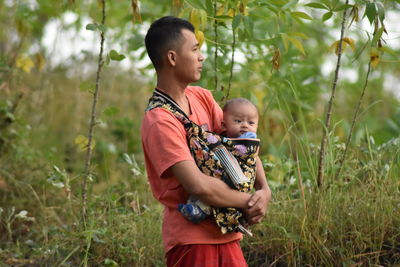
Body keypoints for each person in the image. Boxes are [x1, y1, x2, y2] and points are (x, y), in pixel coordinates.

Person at [141, 16, 271, 266]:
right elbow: (198, 186)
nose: (201, 57)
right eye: (195, 49)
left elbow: (243, 146)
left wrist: (264, 190)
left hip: (227, 232)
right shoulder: (160, 120)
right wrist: (251, 201)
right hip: (192, 241)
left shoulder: (201, 97)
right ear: (172, 58)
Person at [178, 98, 261, 229]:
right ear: (223, 125)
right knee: (212, 191)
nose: (245, 125)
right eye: (238, 121)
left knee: (224, 195)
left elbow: (251, 154)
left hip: (240, 179)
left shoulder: (248, 139)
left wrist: (265, 189)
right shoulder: (221, 139)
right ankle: (198, 209)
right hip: (218, 181)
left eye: (251, 122)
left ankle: (236, 217)